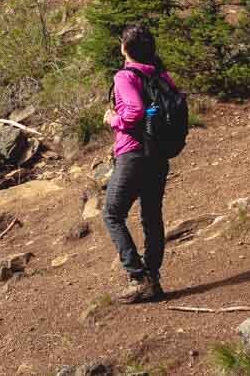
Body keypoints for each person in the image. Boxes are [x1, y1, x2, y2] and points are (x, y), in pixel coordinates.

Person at [102, 24, 176, 303]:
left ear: (125, 48)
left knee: (112, 213)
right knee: (151, 216)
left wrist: (114, 120)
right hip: (158, 155)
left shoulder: (125, 76)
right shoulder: (161, 74)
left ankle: (137, 276)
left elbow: (134, 110)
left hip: (133, 154)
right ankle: (152, 278)